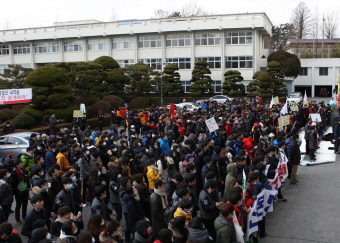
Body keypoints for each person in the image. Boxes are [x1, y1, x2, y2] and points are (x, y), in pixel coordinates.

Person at [11, 160, 29, 225]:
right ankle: (17, 219)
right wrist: (17, 191)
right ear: (17, 165)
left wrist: (28, 187)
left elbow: (27, 180)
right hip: (19, 192)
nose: (22, 164)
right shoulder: (14, 173)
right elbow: (13, 184)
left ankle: (24, 216)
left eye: (22, 163)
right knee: (18, 205)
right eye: (20, 163)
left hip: (25, 190)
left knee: (25, 204)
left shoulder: (24, 171)